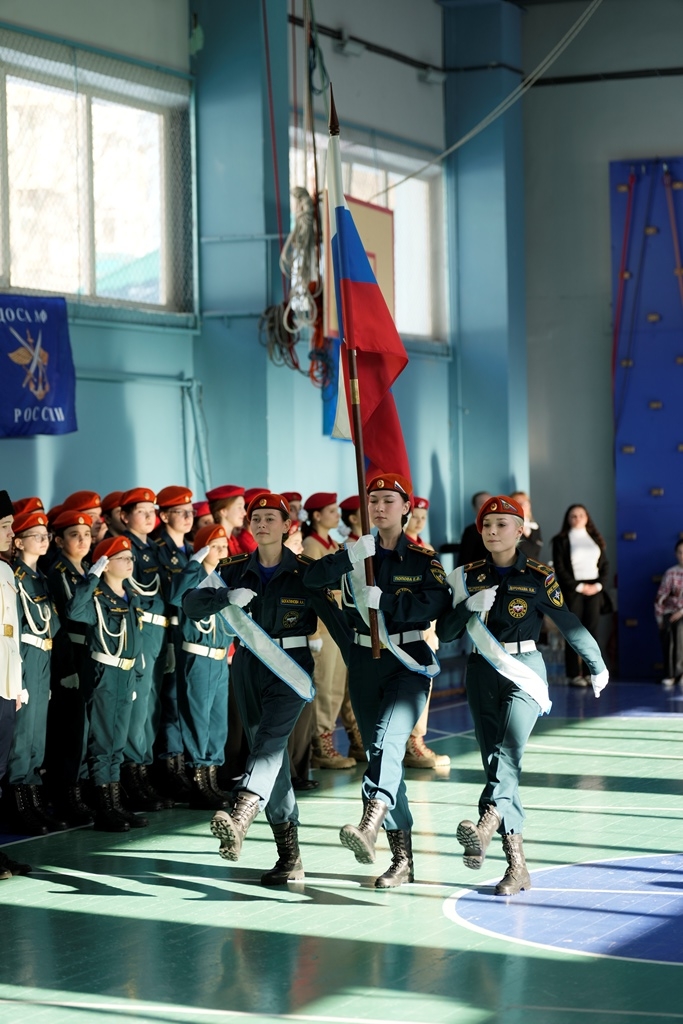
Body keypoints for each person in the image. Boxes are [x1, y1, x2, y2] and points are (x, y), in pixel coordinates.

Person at [437, 495, 609, 895]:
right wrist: (467, 607)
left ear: (519, 531)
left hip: (524, 671)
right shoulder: (465, 576)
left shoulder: (538, 575)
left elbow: (568, 622)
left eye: (502, 524)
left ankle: (486, 825)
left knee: (508, 753)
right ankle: (517, 867)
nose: (493, 531)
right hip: (481, 671)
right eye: (487, 525)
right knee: (496, 763)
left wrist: (596, 663)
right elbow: (445, 632)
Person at [183, 492, 351, 886]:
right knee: (269, 756)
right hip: (248, 667)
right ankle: (289, 858)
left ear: (287, 525)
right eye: (256, 519)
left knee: (270, 744)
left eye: (270, 519)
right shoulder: (233, 569)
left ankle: (242, 813)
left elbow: (339, 624)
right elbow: (190, 603)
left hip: (290, 669)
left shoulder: (305, 572)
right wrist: (224, 596)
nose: (261, 525)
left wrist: (364, 668)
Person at [305, 473, 452, 888]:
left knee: (388, 742)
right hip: (365, 664)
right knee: (380, 755)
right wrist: (347, 558)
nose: (380, 507)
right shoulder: (355, 555)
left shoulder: (422, 560)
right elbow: (311, 581)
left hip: (407, 663)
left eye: (389, 500)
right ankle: (402, 859)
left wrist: (387, 602)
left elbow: (437, 602)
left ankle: (369, 822)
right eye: (374, 501)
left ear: (406, 508)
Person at [66, 535, 148, 832]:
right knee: (103, 742)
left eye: (130, 558)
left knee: (118, 743)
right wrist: (91, 578)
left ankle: (114, 804)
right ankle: (104, 809)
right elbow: (75, 611)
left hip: (126, 674)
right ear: (106, 564)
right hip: (105, 673)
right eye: (122, 558)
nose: (129, 562)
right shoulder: (97, 597)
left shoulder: (131, 596)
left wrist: (136, 676)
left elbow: (136, 640)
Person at [4, 509, 65, 835]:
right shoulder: (14, 576)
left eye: (45, 535)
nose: (44, 540)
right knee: (23, 734)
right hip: (24, 657)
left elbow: (50, 626)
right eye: (36, 536)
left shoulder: (40, 578)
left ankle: (34, 802)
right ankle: (19, 806)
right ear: (19, 541)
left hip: (42, 656)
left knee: (37, 737)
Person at [169, 523, 232, 808]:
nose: (222, 551)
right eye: (215, 547)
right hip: (198, 656)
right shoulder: (192, 580)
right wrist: (193, 564)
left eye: (224, 546)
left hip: (219, 657)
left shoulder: (223, 579)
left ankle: (211, 779)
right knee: (198, 721)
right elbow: (175, 598)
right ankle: (198, 781)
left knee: (218, 722)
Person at [119, 487, 171, 811]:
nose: (150, 516)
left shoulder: (155, 548)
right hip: (140, 628)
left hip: (159, 630)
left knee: (151, 704)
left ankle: (145, 770)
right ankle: (131, 774)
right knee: (137, 706)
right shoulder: (124, 548)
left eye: (152, 510)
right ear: (124, 517)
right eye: (142, 511)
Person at [44, 510, 94, 826]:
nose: (83, 540)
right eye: (74, 535)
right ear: (59, 541)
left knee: (87, 727)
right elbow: (61, 624)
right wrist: (66, 668)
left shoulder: (87, 569)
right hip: (71, 655)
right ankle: (67, 795)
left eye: (87, 534)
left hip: (91, 653)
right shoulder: (58, 572)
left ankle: (84, 790)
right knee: (70, 730)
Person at [302, 492, 356, 770]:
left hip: (338, 624)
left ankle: (330, 741)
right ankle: (321, 745)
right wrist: (312, 634)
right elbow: (309, 590)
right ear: (316, 516)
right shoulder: (311, 545)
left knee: (336, 688)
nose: (337, 516)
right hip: (322, 628)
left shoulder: (332, 543)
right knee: (325, 688)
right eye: (331, 511)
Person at [153, 485, 195, 800]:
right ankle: (170, 769)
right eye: (180, 512)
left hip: (190, 632)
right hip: (167, 632)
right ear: (165, 516)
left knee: (185, 700)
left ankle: (185, 766)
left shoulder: (192, 549)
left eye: (190, 511)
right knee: (169, 701)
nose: (188, 517)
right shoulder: (157, 549)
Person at [403, 496, 450, 770]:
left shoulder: (427, 548)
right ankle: (406, 743)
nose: (419, 521)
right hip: (405, 630)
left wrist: (436, 628)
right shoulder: (398, 548)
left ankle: (415, 741)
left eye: (423, 517)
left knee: (423, 686)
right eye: (415, 516)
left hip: (426, 630)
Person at [0, 491, 32, 877]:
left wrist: (16, 686)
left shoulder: (6, 570)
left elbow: (11, 636)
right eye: (5, 526)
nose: (12, 534)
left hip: (5, 684)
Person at [551, 504, 610, 687]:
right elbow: (560, 568)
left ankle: (591, 672)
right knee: (573, 632)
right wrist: (579, 586)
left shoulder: (595, 538)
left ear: (587, 518)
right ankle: (574, 674)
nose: (577, 518)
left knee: (592, 632)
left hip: (594, 590)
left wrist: (598, 586)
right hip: (573, 591)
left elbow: (605, 565)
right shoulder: (560, 540)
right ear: (568, 519)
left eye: (581, 515)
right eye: (573, 516)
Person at [654, 539, 683, 686]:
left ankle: (680, 674)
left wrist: (682, 612)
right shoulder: (670, 573)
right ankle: (670, 674)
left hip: (681, 613)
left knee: (680, 627)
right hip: (671, 612)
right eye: (680, 552)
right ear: (676, 554)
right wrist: (660, 619)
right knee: (668, 629)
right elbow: (661, 598)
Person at [458, 491, 492, 566]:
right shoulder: (470, 532)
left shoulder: (502, 528)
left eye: (489, 503)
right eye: (482, 503)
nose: (487, 506)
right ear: (475, 508)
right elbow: (464, 562)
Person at [511, 491, 543, 561]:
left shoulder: (535, 527)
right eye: (518, 503)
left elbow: (536, 551)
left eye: (525, 503)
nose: (523, 506)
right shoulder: (508, 527)